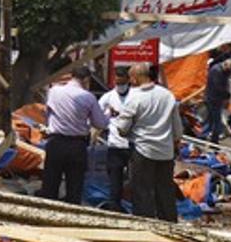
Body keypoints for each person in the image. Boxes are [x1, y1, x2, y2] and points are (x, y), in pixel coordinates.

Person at [113, 63, 183, 222]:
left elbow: (122, 128)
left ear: (137, 77)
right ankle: (170, 225)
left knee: (142, 191)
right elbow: (177, 129)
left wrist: (124, 130)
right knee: (165, 191)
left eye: (131, 78)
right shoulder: (167, 95)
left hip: (143, 151)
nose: (130, 81)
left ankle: (145, 225)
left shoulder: (135, 98)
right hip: (166, 152)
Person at [40, 67, 108, 204]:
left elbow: (48, 113)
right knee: (74, 186)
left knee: (50, 184)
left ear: (72, 76)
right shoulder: (88, 97)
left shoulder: (54, 91)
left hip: (56, 142)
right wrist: (108, 115)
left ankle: (44, 216)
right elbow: (100, 124)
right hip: (77, 145)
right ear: (87, 80)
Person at [98, 66, 134, 212]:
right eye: (117, 82)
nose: (119, 85)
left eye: (122, 81)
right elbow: (98, 115)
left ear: (128, 79)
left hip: (133, 144)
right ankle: (115, 206)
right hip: (115, 145)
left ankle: (136, 207)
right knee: (114, 178)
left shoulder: (135, 96)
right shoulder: (108, 97)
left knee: (135, 179)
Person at [204, 57, 231, 144]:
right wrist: (227, 95)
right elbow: (218, 87)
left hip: (216, 98)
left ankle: (209, 138)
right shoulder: (217, 71)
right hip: (213, 98)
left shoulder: (222, 70)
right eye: (228, 70)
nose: (229, 72)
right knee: (215, 121)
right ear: (225, 64)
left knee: (212, 120)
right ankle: (213, 140)